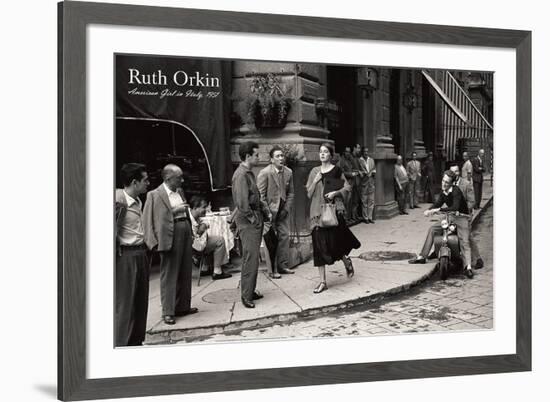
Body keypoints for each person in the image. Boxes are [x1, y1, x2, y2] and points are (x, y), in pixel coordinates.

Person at [143, 164, 198, 325]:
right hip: (169, 235)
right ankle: (168, 311)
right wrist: (152, 243)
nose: (182, 180)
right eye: (178, 177)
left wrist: (191, 230)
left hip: (184, 230)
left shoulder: (179, 192)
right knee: (169, 274)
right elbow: (147, 220)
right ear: (168, 179)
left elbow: (186, 212)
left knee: (185, 270)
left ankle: (183, 306)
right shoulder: (154, 195)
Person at [306, 143, 361, 294]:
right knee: (319, 247)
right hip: (317, 213)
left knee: (335, 244)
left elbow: (347, 187)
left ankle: (345, 260)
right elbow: (309, 193)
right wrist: (316, 181)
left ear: (331, 155)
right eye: (320, 152)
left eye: (325, 152)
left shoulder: (337, 171)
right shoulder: (314, 171)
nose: (322, 154)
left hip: (333, 212)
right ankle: (323, 281)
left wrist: (335, 193)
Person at [408, 170, 475, 279]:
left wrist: (438, 209)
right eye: (443, 181)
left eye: (447, 182)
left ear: (452, 183)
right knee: (433, 229)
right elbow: (438, 203)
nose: (443, 184)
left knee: (465, 241)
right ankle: (422, 256)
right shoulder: (444, 192)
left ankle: (467, 267)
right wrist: (429, 210)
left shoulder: (456, 191)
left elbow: (455, 207)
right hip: (450, 216)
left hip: (462, 217)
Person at [232, 141, 271, 308]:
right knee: (250, 258)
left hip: (253, 217)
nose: (259, 157)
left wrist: (263, 210)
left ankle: (250, 290)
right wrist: (253, 219)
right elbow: (242, 203)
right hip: (248, 221)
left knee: (253, 258)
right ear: (248, 156)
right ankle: (246, 295)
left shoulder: (248, 173)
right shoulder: (241, 175)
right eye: (256, 154)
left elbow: (254, 196)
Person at [115, 163, 150, 346]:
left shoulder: (137, 201)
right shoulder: (118, 201)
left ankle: (137, 341)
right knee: (126, 304)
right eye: (145, 180)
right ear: (135, 182)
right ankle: (122, 344)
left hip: (140, 252)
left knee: (140, 302)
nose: (148, 183)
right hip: (126, 256)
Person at [257, 145, 295, 278]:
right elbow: (260, 195)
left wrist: (286, 209)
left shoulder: (288, 172)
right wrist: (267, 212)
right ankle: (272, 270)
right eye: (277, 156)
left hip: (283, 210)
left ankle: (283, 265)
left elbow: (291, 193)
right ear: (271, 160)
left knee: (284, 237)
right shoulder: (265, 173)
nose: (281, 158)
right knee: (270, 241)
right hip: (269, 211)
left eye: (282, 155)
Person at [189, 195, 232, 280]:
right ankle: (217, 271)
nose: (206, 209)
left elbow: (204, 224)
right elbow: (195, 242)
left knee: (213, 238)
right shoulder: (189, 219)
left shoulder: (194, 216)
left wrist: (204, 225)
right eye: (203, 207)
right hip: (194, 249)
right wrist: (200, 232)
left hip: (197, 244)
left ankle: (206, 267)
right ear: (195, 208)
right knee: (220, 240)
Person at [450, 165, 484, 270]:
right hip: (453, 215)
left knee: (467, 236)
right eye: (452, 172)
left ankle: (478, 259)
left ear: (459, 172)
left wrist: (462, 210)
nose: (454, 174)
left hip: (465, 215)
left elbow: (472, 202)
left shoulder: (466, 184)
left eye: (456, 171)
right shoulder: (449, 184)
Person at [338, 145, 361, 224]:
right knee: (346, 201)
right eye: (346, 151)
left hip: (352, 182)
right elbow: (341, 172)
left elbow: (353, 167)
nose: (348, 153)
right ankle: (345, 219)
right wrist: (351, 174)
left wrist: (355, 172)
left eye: (349, 152)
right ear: (344, 152)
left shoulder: (349, 159)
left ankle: (349, 217)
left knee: (351, 201)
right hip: (346, 183)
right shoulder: (341, 160)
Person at [358, 146, 376, 224]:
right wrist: (363, 173)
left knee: (371, 200)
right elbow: (359, 171)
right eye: (364, 151)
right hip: (363, 183)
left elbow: (374, 169)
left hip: (371, 182)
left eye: (367, 151)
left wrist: (373, 172)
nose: (366, 153)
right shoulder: (360, 160)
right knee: (364, 201)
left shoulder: (371, 160)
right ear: (362, 152)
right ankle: (365, 218)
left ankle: (370, 217)